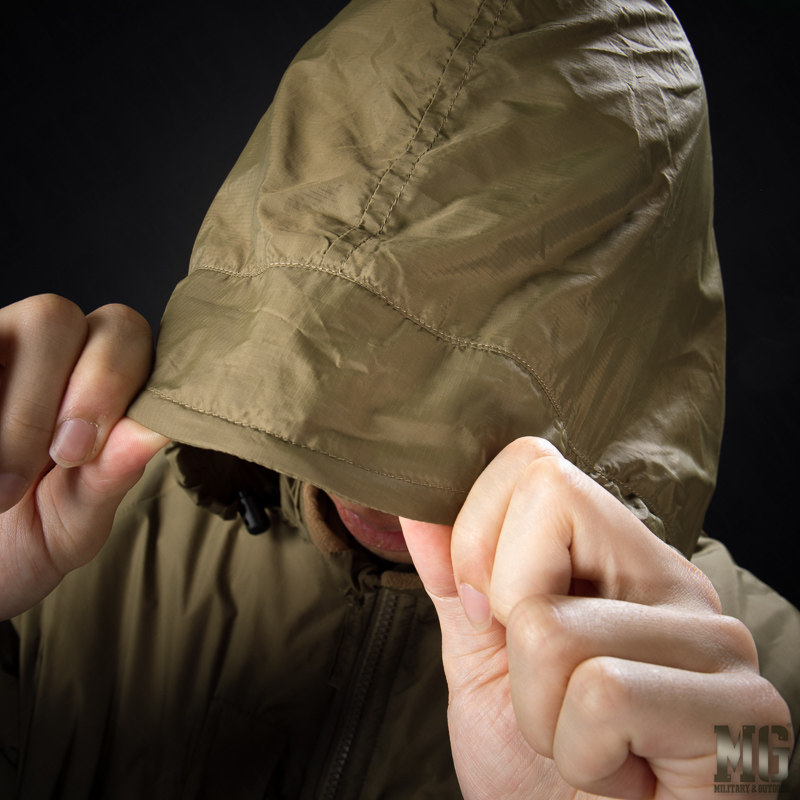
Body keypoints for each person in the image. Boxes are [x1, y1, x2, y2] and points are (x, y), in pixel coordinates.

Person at [1, 0, 798, 797]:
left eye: (440, 399)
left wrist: (736, 779)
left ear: (618, 364)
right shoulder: (70, 530)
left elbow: (769, 759)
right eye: (327, 357)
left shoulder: (762, 691)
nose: (367, 478)